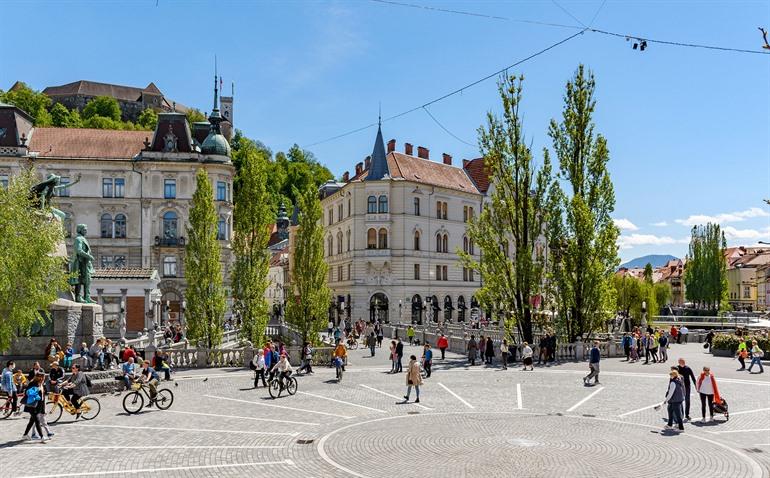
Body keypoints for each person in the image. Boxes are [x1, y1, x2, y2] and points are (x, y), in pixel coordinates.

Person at [21, 372, 47, 442]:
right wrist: (35, 391)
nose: (44, 378)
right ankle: (42, 437)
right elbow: (27, 392)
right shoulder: (32, 384)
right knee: (37, 421)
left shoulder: (41, 384)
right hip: (32, 405)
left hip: (38, 406)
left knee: (32, 421)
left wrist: (43, 409)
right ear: (40, 377)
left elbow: (42, 398)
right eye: (43, 377)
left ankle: (25, 435)